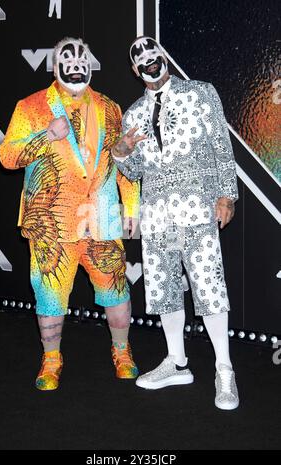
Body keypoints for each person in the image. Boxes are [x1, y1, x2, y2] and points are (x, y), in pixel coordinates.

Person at [0, 37, 140, 391]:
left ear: (91, 64)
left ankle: (122, 352)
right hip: (52, 224)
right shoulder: (31, 107)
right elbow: (7, 157)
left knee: (116, 290)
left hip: (102, 219)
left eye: (83, 59)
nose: (76, 64)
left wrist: (133, 207)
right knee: (49, 296)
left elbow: (122, 161)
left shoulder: (110, 108)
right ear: (54, 66)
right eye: (68, 58)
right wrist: (46, 136)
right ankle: (51, 359)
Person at [112, 36, 239, 410]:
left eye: (154, 54)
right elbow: (133, 171)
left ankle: (224, 369)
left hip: (198, 207)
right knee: (164, 289)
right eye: (142, 60)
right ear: (135, 71)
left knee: (209, 287)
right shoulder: (132, 114)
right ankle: (177, 362)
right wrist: (120, 152)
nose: (150, 62)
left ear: (164, 57)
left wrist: (226, 194)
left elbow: (220, 144)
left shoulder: (201, 93)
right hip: (156, 214)